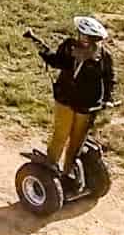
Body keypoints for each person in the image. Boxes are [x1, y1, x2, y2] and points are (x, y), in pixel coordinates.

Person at [40, 15, 116, 178]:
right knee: (60, 134)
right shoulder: (69, 46)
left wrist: (108, 99)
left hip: (87, 105)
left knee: (77, 141)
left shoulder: (103, 56)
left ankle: (69, 172)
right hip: (65, 99)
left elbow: (109, 79)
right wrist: (45, 53)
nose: (80, 37)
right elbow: (59, 62)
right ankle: (50, 169)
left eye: (84, 35)